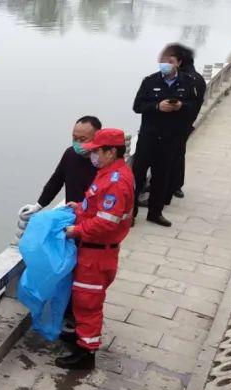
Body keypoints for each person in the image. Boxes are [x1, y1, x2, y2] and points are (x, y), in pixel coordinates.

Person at [58, 128, 135, 370]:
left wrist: (76, 230)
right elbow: (95, 206)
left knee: (88, 302)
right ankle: (82, 335)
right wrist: (79, 207)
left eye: (97, 152)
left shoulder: (117, 181)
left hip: (97, 253)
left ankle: (86, 352)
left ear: (112, 152)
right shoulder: (108, 173)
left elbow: (105, 222)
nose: (93, 157)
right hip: (93, 250)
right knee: (83, 299)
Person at [131, 44, 198, 228]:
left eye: (170, 61)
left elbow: (193, 107)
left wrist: (181, 107)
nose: (166, 64)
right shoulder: (149, 81)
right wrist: (156, 107)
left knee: (162, 178)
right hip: (148, 138)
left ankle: (155, 213)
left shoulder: (187, 82)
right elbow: (137, 106)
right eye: (163, 61)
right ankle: (131, 213)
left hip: (170, 139)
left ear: (179, 63)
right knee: (137, 176)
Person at [165, 43, 206, 199]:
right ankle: (177, 185)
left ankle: (169, 185)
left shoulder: (184, 79)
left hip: (175, 124)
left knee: (170, 155)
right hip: (186, 123)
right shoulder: (199, 79)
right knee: (179, 153)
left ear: (180, 61)